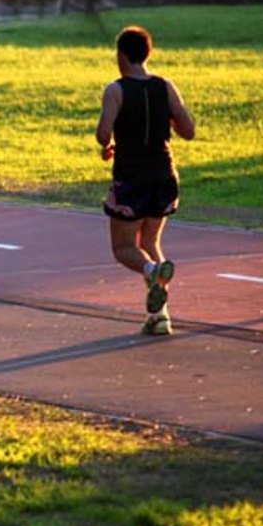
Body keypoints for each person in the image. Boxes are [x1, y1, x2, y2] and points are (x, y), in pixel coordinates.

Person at [96, 25, 195, 335]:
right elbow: (188, 130)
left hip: (132, 179)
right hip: (164, 176)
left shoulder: (116, 89)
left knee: (123, 248)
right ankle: (160, 316)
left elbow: (102, 133)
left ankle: (152, 271)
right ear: (147, 54)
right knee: (150, 241)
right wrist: (167, 120)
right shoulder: (165, 87)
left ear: (121, 55)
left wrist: (107, 144)